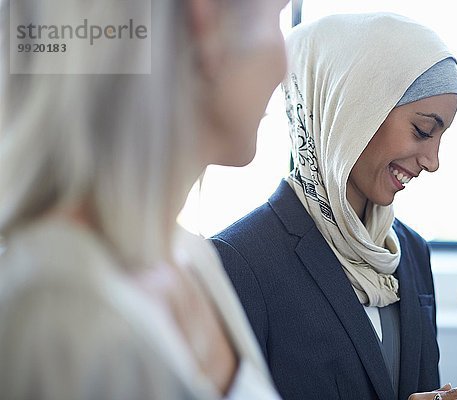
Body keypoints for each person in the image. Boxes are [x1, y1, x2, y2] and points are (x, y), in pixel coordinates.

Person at [0, 0, 288, 398]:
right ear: (204, 21)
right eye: (277, 16)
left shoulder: (187, 254)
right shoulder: (60, 320)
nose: (285, 69)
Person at [211, 13, 457, 400]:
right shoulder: (238, 262)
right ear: (354, 110)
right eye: (423, 131)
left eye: (440, 137)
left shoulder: (409, 252)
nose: (433, 160)